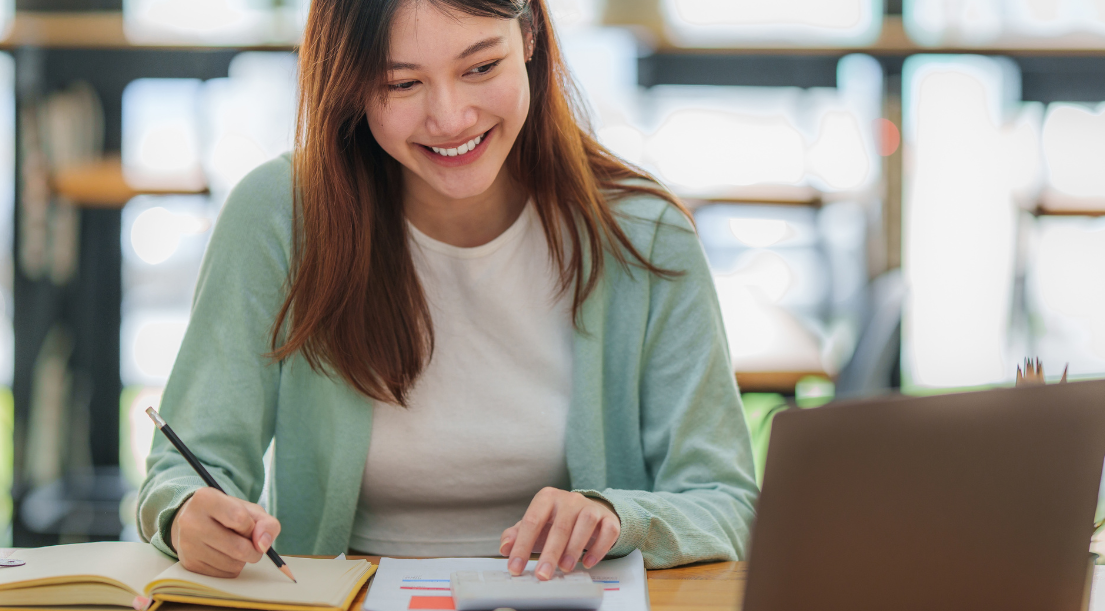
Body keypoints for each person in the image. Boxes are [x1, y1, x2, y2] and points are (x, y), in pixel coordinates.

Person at [137, 0, 759, 581]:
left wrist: (623, 519)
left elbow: (726, 501)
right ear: (350, 83)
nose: (451, 117)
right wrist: (186, 514)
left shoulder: (644, 237)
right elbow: (186, 467)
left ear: (531, 38)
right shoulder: (280, 218)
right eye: (403, 84)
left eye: (481, 66)